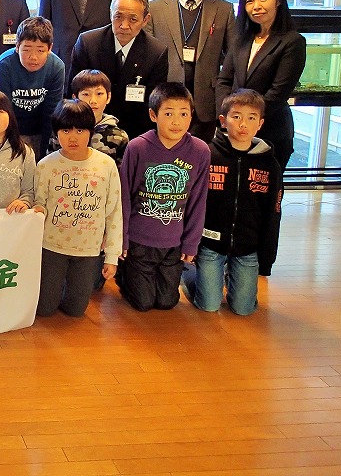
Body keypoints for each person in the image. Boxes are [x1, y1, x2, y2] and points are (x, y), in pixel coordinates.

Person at [182, 90, 283, 315]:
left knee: (243, 309)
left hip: (247, 247)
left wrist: (267, 259)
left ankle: (230, 277)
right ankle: (191, 275)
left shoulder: (270, 164)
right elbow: (193, 202)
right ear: (223, 121)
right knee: (208, 305)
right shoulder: (208, 155)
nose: (243, 124)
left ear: (260, 124)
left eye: (251, 118)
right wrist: (191, 243)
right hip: (210, 244)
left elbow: (273, 213)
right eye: (236, 116)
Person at [118, 82, 210, 312]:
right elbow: (123, 196)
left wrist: (191, 242)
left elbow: (199, 201)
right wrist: (121, 238)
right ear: (153, 115)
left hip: (173, 243)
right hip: (139, 240)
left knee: (167, 302)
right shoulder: (137, 147)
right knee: (144, 303)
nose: (176, 121)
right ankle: (125, 274)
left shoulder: (200, 151)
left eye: (183, 114)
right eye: (168, 114)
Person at [34, 99, 123, 318]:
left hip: (89, 250)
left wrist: (111, 256)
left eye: (80, 130)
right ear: (56, 133)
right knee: (44, 309)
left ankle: (69, 289)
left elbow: (113, 211)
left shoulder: (106, 165)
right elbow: (40, 203)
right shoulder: (46, 165)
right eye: (65, 130)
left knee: (76, 311)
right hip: (51, 247)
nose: (73, 137)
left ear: (91, 132)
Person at [216, 0, 306, 170]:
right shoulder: (241, 39)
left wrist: (249, 120)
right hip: (233, 131)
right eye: (249, 1)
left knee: (265, 194)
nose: (256, 6)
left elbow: (278, 92)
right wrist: (228, 116)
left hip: (270, 130)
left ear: (279, 0)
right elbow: (224, 80)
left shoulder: (293, 42)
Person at [148, 0, 236, 142]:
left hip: (206, 99)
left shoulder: (223, 10)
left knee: (200, 156)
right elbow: (147, 55)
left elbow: (232, 57)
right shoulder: (154, 9)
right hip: (166, 98)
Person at [70, 0, 169, 139]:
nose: (124, 25)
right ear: (110, 14)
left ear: (145, 20)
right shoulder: (88, 43)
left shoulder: (156, 52)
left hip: (134, 133)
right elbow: (74, 95)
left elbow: (152, 105)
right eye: (118, 17)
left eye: (133, 19)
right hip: (88, 130)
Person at [0, 16, 66, 159]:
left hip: (40, 130)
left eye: (40, 50)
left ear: (49, 48)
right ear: (17, 46)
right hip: (10, 129)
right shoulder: (4, 66)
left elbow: (51, 113)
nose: (33, 57)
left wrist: (45, 154)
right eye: (26, 49)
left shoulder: (57, 67)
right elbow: (3, 110)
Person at [50, 70, 130, 167]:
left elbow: (121, 175)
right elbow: (51, 163)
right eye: (86, 94)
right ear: (75, 97)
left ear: (108, 97)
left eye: (99, 94)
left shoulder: (119, 136)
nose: (93, 101)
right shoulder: (63, 129)